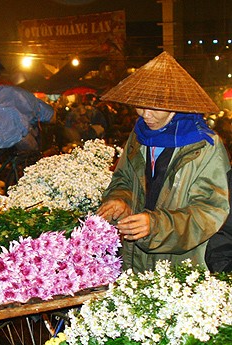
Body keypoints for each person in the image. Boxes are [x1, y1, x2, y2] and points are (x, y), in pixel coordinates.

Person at [96, 51, 231, 273]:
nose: (145, 114)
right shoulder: (139, 136)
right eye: (139, 105)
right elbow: (123, 179)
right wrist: (121, 200)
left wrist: (158, 225)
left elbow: (211, 210)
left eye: (154, 107)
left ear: (176, 104)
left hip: (181, 263)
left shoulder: (204, 144)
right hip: (135, 258)